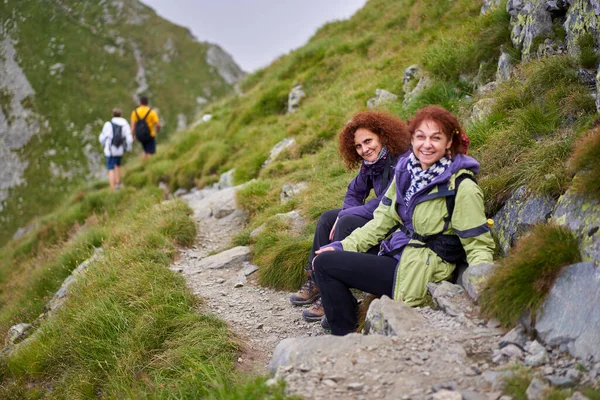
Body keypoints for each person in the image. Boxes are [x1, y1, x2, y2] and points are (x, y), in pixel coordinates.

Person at [312, 105, 495, 335]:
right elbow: (380, 223)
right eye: (420, 137)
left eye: (435, 138)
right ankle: (352, 326)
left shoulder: (461, 187)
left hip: (420, 269)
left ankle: (346, 337)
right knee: (328, 257)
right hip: (398, 253)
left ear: (449, 142)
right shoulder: (406, 173)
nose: (426, 144)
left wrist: (483, 287)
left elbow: (478, 244)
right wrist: (340, 246)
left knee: (325, 266)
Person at [290, 111, 411, 323]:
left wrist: (347, 213)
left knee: (346, 221)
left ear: (382, 136)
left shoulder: (400, 160)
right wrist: (347, 210)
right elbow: (354, 192)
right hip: (378, 216)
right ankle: (317, 279)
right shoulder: (372, 163)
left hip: (395, 224)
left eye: (368, 141)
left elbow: (385, 202)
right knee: (328, 218)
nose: (365, 149)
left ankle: (338, 297)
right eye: (358, 146)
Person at [99, 108, 133, 190]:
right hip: (120, 149)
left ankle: (112, 188)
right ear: (121, 115)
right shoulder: (125, 124)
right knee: (117, 165)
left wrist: (103, 144)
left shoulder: (108, 124)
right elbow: (129, 138)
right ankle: (118, 183)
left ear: (112, 115)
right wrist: (128, 148)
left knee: (111, 168)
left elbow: (102, 138)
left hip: (110, 150)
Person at [130, 95, 160, 161]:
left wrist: (132, 136)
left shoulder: (135, 112)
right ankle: (150, 165)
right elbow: (157, 124)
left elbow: (132, 126)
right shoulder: (151, 112)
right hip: (150, 134)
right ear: (147, 102)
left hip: (139, 135)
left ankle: (144, 163)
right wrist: (157, 130)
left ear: (140, 103)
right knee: (151, 152)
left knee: (145, 150)